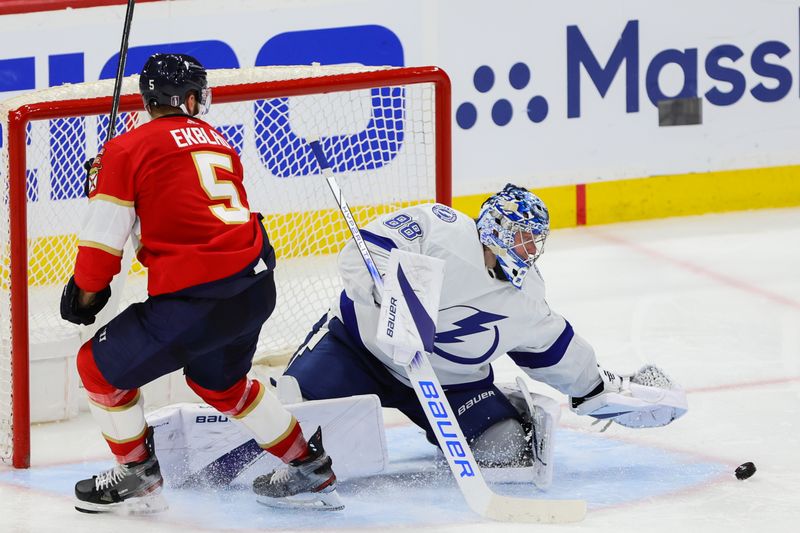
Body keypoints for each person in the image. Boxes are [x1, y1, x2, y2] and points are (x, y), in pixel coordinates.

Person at [60, 53, 341, 514]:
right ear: (188, 98)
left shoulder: (126, 149)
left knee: (95, 367)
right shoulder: (216, 140)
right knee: (223, 387)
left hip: (197, 299)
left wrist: (84, 295)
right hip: (254, 286)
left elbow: (100, 252)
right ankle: (307, 463)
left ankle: (136, 472)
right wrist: (113, 175)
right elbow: (187, 206)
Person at [283, 184, 687, 479]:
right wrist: (386, 290)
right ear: (495, 227)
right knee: (285, 434)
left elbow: (553, 347)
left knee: (506, 448)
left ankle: (502, 402)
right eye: (522, 237)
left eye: (535, 242)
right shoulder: (439, 227)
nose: (530, 250)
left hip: (448, 385)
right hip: (357, 351)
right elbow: (364, 249)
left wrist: (595, 388)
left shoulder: (525, 296)